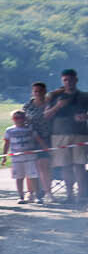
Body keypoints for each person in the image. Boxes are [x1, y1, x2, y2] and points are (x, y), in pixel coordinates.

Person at [49, 69, 87, 205]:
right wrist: (58, 106)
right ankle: (69, 195)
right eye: (65, 80)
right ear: (62, 81)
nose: (68, 82)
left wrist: (85, 116)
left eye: (70, 79)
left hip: (80, 134)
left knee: (79, 165)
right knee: (65, 166)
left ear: (76, 80)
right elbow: (46, 115)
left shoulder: (84, 96)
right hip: (59, 134)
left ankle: (81, 195)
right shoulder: (55, 97)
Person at [2, 109, 48, 205]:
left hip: (30, 157)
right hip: (16, 158)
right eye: (16, 118)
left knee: (33, 176)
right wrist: (4, 156)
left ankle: (37, 196)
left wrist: (46, 149)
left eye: (21, 118)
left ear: (25, 119)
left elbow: (38, 139)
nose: (19, 120)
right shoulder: (9, 130)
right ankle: (21, 196)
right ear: (12, 119)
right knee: (19, 177)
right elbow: (6, 143)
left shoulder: (30, 129)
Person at [24, 83, 54, 197]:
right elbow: (24, 121)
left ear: (45, 91)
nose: (38, 93)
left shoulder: (50, 104)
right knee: (30, 166)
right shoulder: (27, 106)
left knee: (44, 165)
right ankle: (30, 192)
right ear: (32, 92)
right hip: (30, 139)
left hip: (46, 138)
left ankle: (48, 192)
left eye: (40, 91)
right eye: (35, 91)